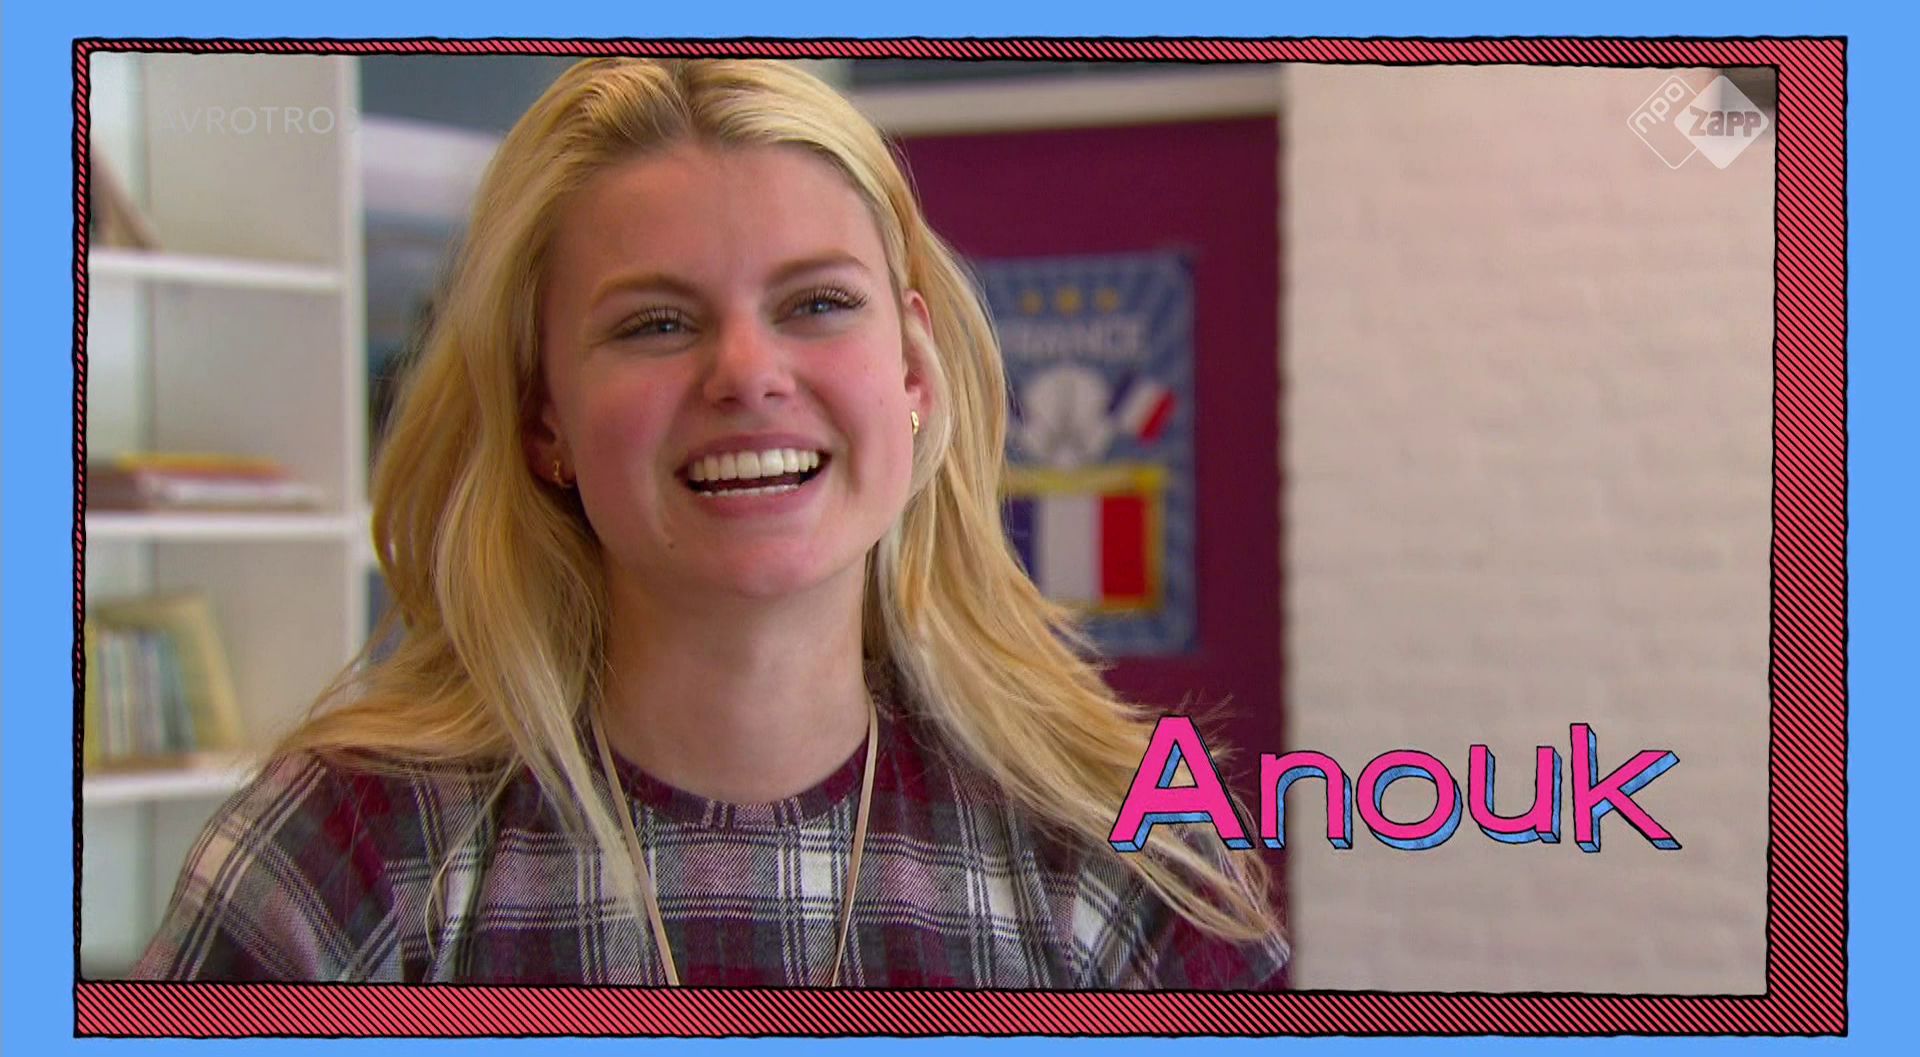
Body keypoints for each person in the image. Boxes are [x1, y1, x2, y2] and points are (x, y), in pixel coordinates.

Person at [132, 58, 1290, 987]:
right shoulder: (344, 862)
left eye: (818, 303)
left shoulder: (1128, 852)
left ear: (912, 370)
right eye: (654, 324)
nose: (747, 372)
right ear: (544, 418)